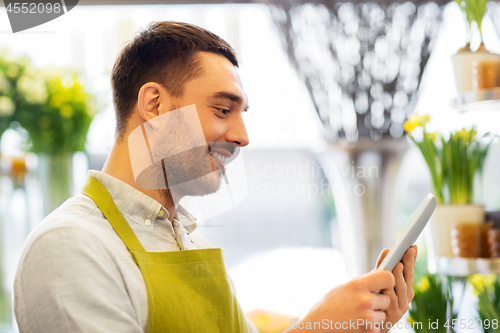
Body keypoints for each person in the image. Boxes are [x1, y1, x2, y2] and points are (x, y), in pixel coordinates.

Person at [13, 21, 417, 333]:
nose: (242, 136)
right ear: (154, 104)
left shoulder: (193, 242)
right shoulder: (70, 245)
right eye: (223, 110)